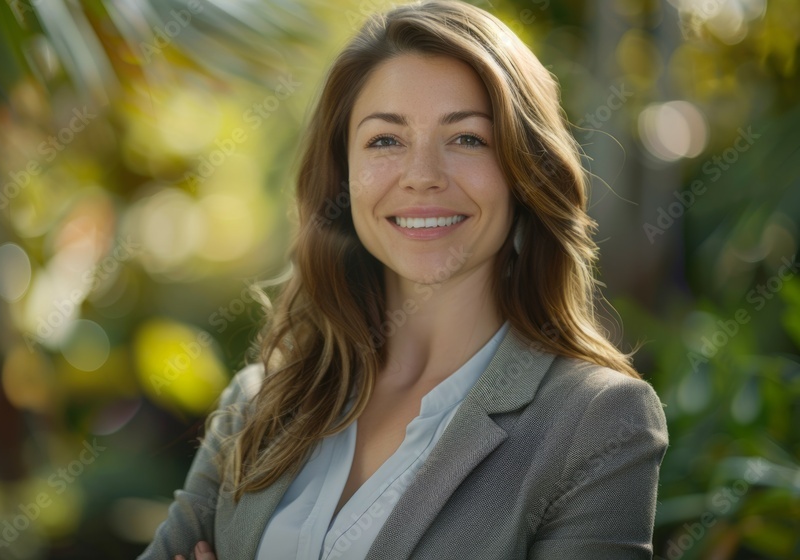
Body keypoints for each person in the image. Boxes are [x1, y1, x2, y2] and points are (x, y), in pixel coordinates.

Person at [139, 0, 669, 558]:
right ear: (341, 173)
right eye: (385, 140)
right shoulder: (260, 403)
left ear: (525, 170)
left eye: (468, 138)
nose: (422, 177)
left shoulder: (598, 423)